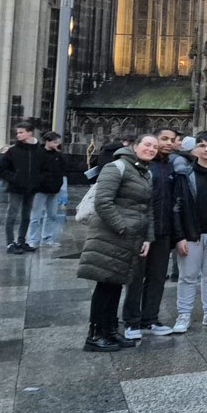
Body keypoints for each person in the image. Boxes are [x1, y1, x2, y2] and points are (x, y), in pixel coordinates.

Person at [78, 135, 158, 351]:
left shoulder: (145, 172)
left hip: (130, 237)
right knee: (105, 284)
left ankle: (110, 330)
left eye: (154, 147)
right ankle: (94, 336)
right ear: (135, 146)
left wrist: (147, 238)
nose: (151, 149)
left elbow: (147, 208)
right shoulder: (116, 166)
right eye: (147, 145)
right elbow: (103, 202)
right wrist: (122, 227)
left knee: (115, 283)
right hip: (111, 234)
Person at [120, 127, 178, 339]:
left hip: (163, 230)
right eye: (163, 139)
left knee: (157, 277)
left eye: (171, 140)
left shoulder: (170, 166)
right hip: (140, 230)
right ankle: (132, 321)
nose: (167, 143)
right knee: (135, 277)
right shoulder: (140, 166)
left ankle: (150, 318)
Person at [170, 131, 207, 332]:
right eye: (201, 145)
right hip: (191, 233)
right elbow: (176, 206)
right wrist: (180, 236)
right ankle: (184, 315)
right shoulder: (185, 175)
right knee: (188, 276)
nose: (206, 149)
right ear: (194, 149)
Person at [0, 122, 44, 254]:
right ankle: (10, 243)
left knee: (26, 216)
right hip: (16, 187)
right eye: (17, 132)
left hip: (32, 187)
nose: (18, 135)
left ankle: (22, 241)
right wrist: (14, 178)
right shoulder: (12, 151)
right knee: (12, 215)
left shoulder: (39, 151)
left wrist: (38, 180)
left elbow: (44, 168)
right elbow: (0, 168)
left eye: (21, 132)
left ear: (30, 133)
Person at [28, 131, 67, 249]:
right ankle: (33, 239)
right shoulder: (38, 153)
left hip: (54, 188)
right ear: (47, 141)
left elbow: (63, 169)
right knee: (36, 216)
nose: (57, 144)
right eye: (55, 142)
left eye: (58, 142)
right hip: (40, 189)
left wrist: (60, 184)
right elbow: (34, 171)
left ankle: (48, 237)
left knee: (52, 215)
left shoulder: (58, 155)